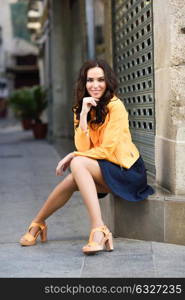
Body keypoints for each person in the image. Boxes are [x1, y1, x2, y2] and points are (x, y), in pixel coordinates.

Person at [19, 59, 155, 255]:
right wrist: (83, 114)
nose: (95, 85)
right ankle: (39, 222)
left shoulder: (116, 107)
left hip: (127, 172)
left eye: (101, 80)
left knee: (77, 163)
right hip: (105, 169)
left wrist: (74, 155)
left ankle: (96, 228)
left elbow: (106, 150)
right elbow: (83, 146)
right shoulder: (81, 108)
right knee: (76, 172)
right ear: (84, 83)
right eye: (90, 80)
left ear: (108, 82)